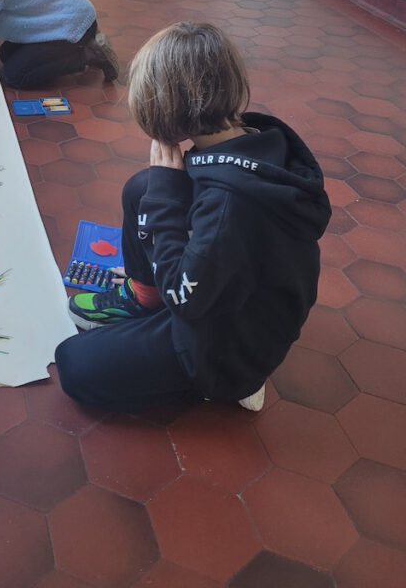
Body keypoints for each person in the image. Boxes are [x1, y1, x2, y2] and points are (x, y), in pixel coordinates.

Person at [55, 21, 331, 413]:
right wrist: (163, 191)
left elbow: (185, 299)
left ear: (167, 111)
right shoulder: (256, 133)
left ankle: (225, 385)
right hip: (237, 290)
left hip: (226, 345)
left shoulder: (228, 208)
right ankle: (143, 297)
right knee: (144, 187)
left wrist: (168, 199)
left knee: (73, 364)